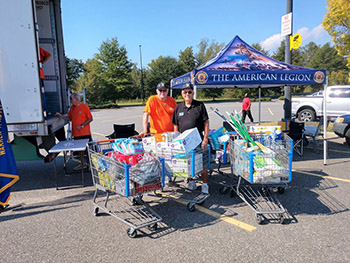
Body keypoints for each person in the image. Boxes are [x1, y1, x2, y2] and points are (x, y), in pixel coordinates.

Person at [172, 83, 210, 194]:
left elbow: (206, 122)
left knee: (202, 163)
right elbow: (176, 126)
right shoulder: (178, 108)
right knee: (187, 163)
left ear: (193, 93)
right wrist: (176, 141)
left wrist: (205, 139)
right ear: (182, 94)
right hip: (184, 143)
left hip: (198, 141)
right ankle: (191, 181)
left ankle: (204, 184)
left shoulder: (199, 105)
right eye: (185, 92)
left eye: (190, 92)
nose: (187, 94)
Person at [56, 93, 93, 169]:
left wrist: (82, 125)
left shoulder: (84, 107)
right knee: (80, 150)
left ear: (76, 99)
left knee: (88, 149)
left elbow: (90, 118)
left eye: (71, 99)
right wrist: (61, 116)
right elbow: (70, 118)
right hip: (76, 134)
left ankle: (90, 165)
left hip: (85, 133)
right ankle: (82, 164)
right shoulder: (72, 108)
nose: (70, 100)